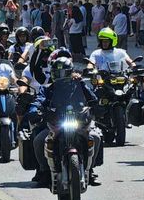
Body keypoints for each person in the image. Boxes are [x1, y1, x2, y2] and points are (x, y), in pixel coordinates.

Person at [28, 50, 102, 188]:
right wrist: (34, 110)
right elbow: (38, 101)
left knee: (95, 137)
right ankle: (44, 171)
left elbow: (92, 98)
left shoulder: (79, 84)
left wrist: (97, 106)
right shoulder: (48, 89)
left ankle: (90, 170)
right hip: (56, 123)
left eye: (64, 73)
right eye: (58, 73)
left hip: (79, 121)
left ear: (70, 72)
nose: (61, 77)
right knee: (39, 141)